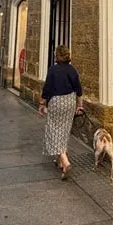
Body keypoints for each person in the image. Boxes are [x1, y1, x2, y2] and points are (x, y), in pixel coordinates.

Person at [39, 45, 83, 180]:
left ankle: (65, 161)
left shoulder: (53, 70)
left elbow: (47, 88)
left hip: (57, 102)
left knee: (53, 130)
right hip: (70, 101)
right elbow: (79, 89)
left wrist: (42, 103)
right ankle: (59, 162)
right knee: (64, 130)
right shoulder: (72, 70)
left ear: (57, 56)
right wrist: (80, 105)